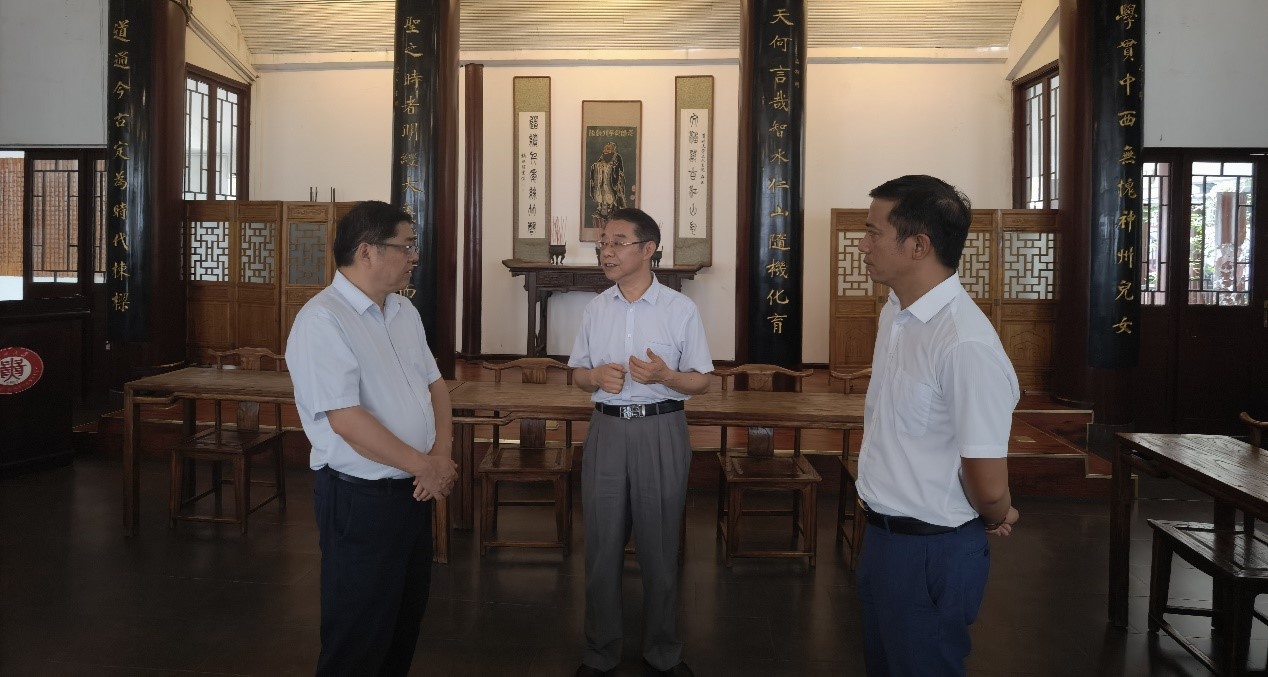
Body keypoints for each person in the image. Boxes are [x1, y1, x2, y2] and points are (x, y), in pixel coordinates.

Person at [854, 175, 1021, 676]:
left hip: (931, 550)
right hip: (883, 537)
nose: (862, 244)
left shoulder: (963, 343)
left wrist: (998, 511)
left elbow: (988, 483)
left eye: (873, 232)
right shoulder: (897, 314)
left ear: (918, 245)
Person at [285, 200, 458, 677]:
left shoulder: (403, 310)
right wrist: (426, 465)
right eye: (406, 246)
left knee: (403, 622)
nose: (414, 256)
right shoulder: (323, 320)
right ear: (367, 251)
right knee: (358, 634)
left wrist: (440, 454)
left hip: (413, 492)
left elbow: (435, 385)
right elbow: (346, 420)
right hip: (361, 500)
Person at [568, 207, 712, 677]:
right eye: (603, 244)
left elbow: (701, 381)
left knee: (660, 548)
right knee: (601, 548)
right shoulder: (596, 308)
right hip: (607, 431)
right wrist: (594, 377)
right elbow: (576, 374)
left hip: (661, 430)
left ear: (648, 249)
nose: (606, 252)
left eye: (617, 242)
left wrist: (666, 376)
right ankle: (600, 652)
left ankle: (663, 652)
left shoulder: (679, 309)